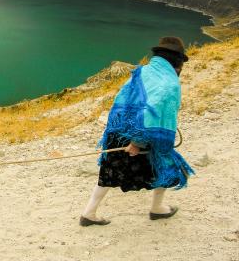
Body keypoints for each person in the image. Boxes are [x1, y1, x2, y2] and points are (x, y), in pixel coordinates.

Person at [80, 36, 195, 226]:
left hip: (118, 131)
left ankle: (89, 213)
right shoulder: (169, 83)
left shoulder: (143, 72)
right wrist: (137, 142)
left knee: (109, 172)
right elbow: (153, 112)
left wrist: (121, 131)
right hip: (143, 137)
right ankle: (157, 209)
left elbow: (122, 99)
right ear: (176, 61)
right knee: (166, 167)